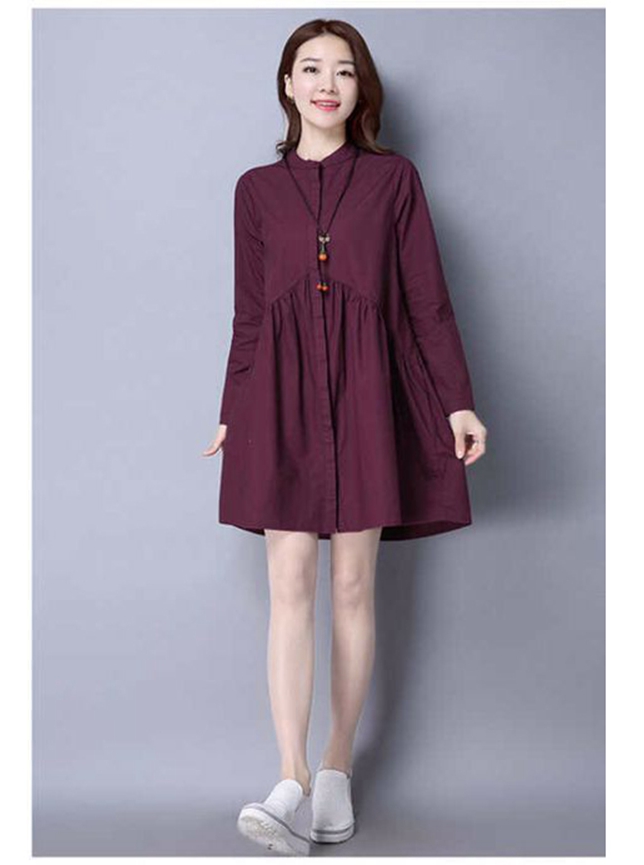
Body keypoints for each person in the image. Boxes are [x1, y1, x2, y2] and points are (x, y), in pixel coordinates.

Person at [203, 18, 487, 856]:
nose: (327, 83)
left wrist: (457, 403)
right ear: (287, 85)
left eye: (344, 71)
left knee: (354, 585)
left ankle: (335, 769)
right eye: (311, 68)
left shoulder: (394, 180)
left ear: (361, 89)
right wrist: (233, 406)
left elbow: (428, 300)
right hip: (277, 396)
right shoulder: (255, 191)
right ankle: (289, 777)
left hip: (370, 393)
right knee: (289, 583)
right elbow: (249, 312)